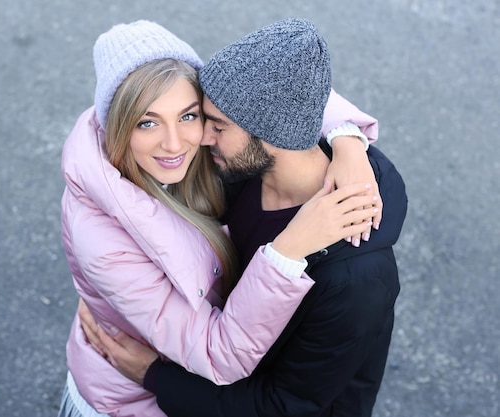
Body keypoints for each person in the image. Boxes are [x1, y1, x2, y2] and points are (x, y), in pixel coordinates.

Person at [79, 18, 408, 417]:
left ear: (272, 133)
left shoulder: (357, 280)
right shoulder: (245, 170)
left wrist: (154, 376)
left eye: (217, 125)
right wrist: (349, 139)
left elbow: (285, 406)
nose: (200, 137)